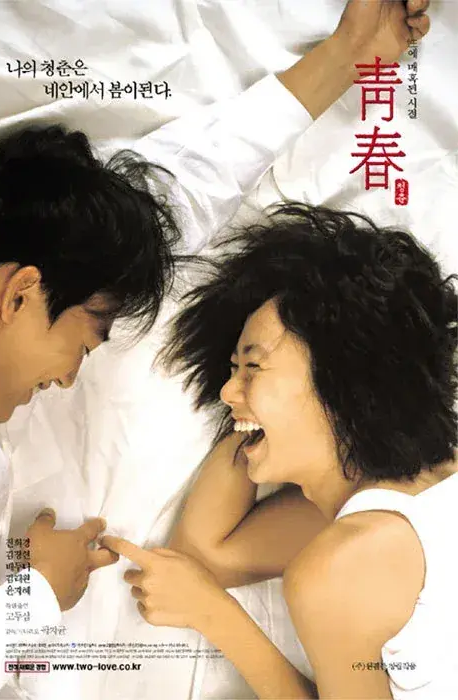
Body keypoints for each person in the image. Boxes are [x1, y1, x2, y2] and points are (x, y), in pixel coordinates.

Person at [0, 0, 431, 698]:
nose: (67, 378)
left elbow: (180, 193)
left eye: (250, 365)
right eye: (89, 336)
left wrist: (347, 53)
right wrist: (29, 598)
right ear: (20, 295)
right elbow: (205, 553)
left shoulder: (348, 547)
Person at [102, 200, 457, 698]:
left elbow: (203, 573)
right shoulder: (415, 490)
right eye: (231, 369)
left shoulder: (343, 564)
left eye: (253, 366)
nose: (226, 392)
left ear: (345, 380)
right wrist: (256, 414)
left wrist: (215, 615)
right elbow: (205, 555)